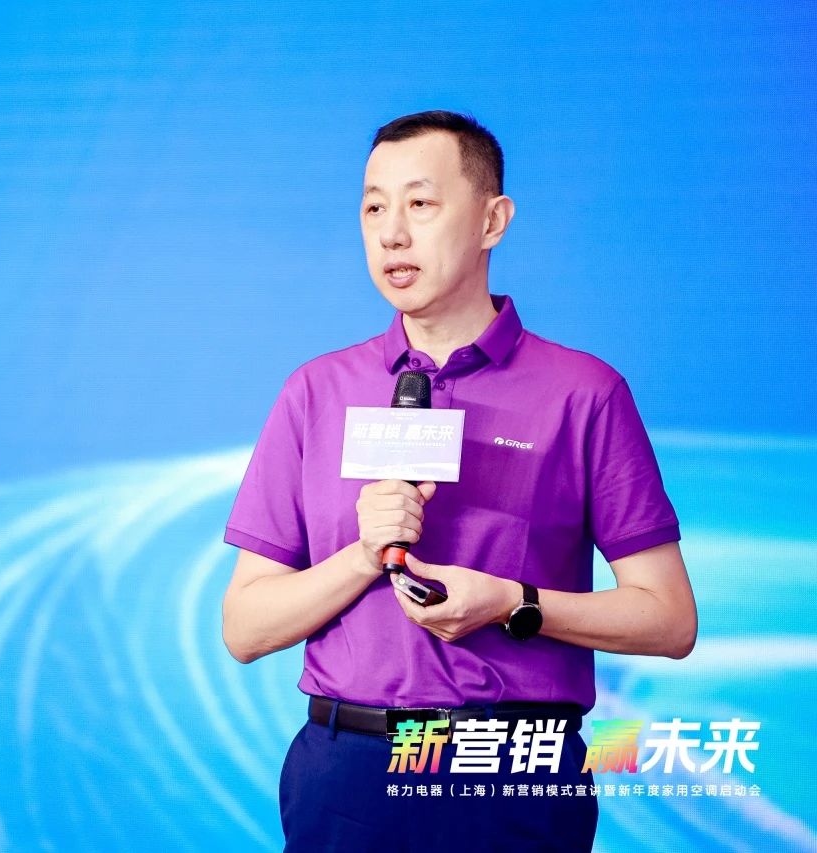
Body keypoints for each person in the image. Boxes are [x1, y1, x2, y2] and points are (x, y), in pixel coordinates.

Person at [220, 110, 698, 851]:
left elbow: (668, 619)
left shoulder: (583, 392)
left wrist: (514, 604)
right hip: (349, 772)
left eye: (420, 203)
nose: (392, 234)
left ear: (491, 221)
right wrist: (361, 555)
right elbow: (246, 628)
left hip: (510, 772)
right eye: (374, 207)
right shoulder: (316, 391)